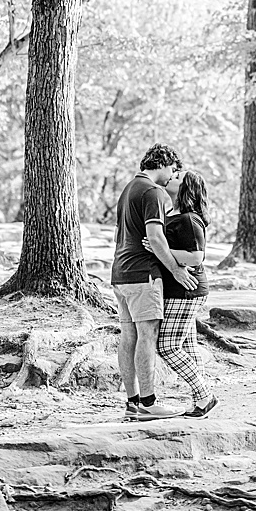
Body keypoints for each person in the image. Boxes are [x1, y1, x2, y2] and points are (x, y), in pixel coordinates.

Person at [110, 143, 197, 419]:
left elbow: (118, 234)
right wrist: (176, 271)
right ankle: (149, 403)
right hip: (143, 275)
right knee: (147, 335)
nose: (173, 176)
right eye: (173, 169)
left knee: (129, 337)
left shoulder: (128, 189)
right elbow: (156, 238)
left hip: (120, 274)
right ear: (162, 163)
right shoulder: (154, 192)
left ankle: (133, 400)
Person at [148, 170, 218, 417]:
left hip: (185, 290)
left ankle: (205, 395)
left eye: (178, 176)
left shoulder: (189, 219)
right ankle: (199, 401)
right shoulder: (176, 215)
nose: (171, 177)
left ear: (186, 187)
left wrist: (159, 249)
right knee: (188, 346)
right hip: (180, 289)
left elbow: (196, 257)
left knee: (167, 346)